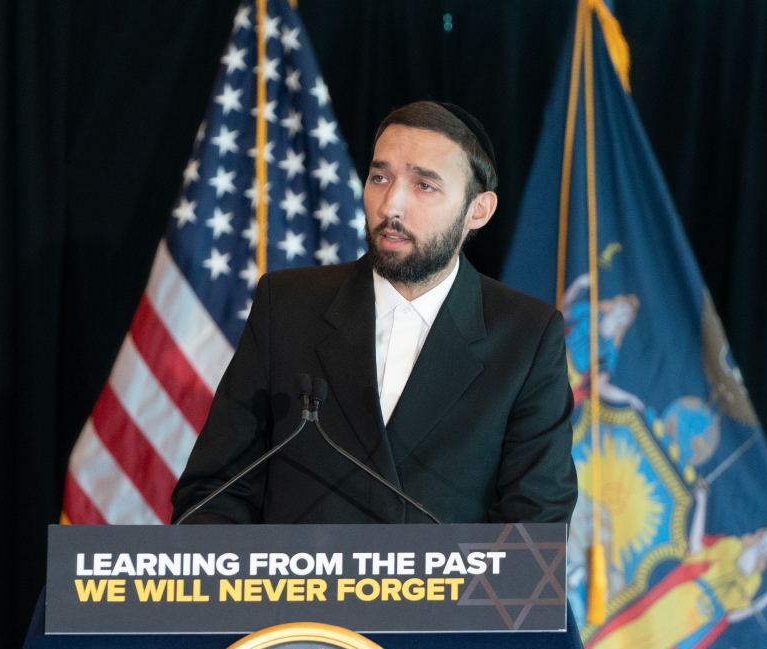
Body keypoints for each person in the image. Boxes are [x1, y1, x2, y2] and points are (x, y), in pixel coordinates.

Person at [170, 101, 577, 524]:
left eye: (425, 186)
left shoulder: (526, 336)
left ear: (478, 210)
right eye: (380, 178)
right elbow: (213, 494)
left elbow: (535, 525)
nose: (390, 206)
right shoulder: (287, 306)